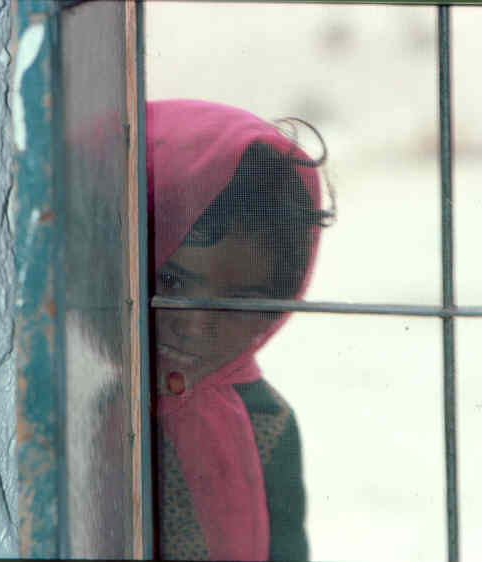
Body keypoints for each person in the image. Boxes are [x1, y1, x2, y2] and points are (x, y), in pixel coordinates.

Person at [147, 99, 335, 561]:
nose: (196, 326)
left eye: (238, 302)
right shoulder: (83, 396)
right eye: (170, 281)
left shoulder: (265, 423)